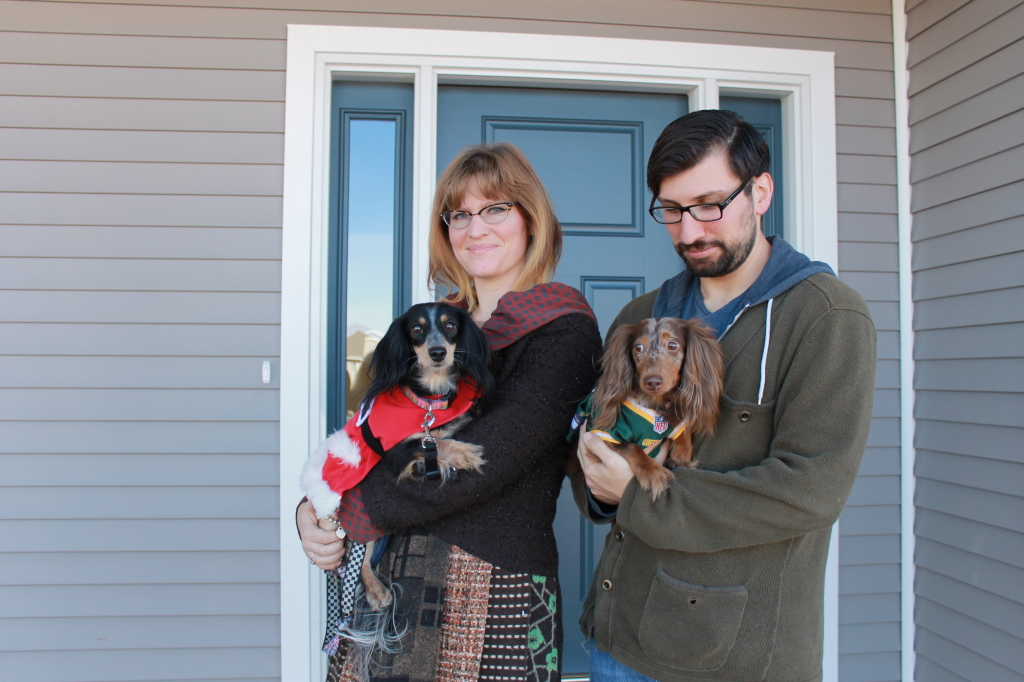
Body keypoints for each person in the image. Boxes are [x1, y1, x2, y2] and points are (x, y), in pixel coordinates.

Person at [573, 110, 876, 682]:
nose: (689, 232)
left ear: (760, 191)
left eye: (710, 205)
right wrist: (599, 477)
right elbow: (602, 446)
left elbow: (808, 491)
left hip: (729, 660)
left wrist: (635, 495)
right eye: (671, 210)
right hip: (612, 635)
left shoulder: (825, 318)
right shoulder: (641, 318)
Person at [298, 142, 603, 682]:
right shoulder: (437, 329)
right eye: (459, 214)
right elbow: (370, 433)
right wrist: (314, 504)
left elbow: (487, 456)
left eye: (495, 209)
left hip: (495, 584)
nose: (475, 228)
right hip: (396, 574)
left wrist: (350, 511)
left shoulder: (563, 327)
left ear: (530, 217)